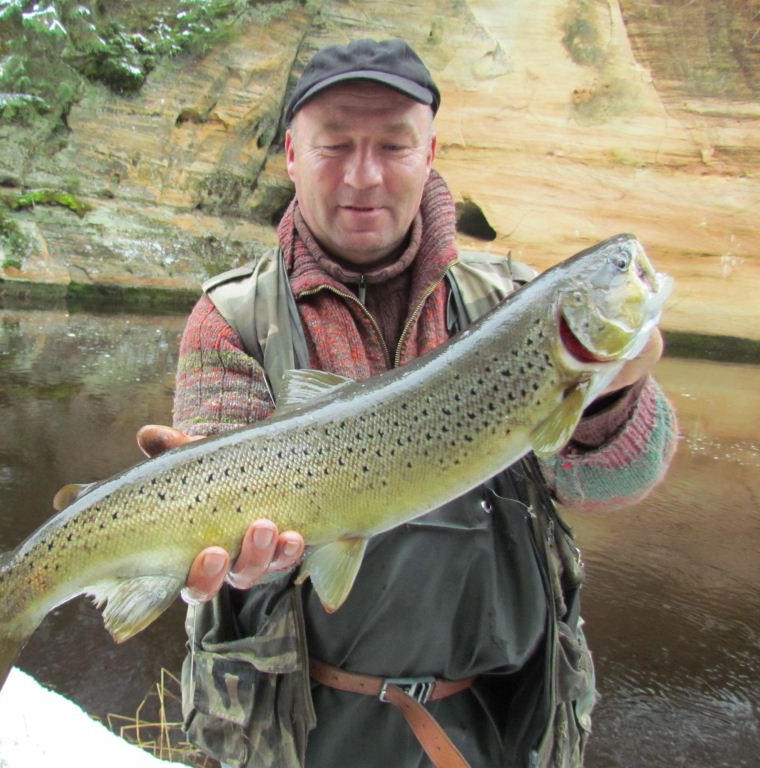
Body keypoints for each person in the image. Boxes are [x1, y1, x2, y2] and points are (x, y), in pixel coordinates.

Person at [136, 38, 676, 768]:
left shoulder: (513, 304)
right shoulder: (232, 320)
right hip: (302, 731)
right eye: (335, 145)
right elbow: (221, 529)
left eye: (393, 146)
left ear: (430, 154)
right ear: (291, 154)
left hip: (493, 725)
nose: (363, 175)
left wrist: (612, 393)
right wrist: (223, 545)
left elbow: (616, 483)